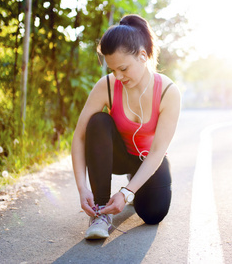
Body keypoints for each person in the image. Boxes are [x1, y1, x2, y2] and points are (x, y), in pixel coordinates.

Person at [71, 14, 181, 239]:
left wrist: (127, 193)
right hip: (118, 156)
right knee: (98, 122)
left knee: (153, 214)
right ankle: (101, 213)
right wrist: (82, 188)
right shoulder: (107, 87)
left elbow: (158, 151)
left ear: (142, 56)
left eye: (123, 68)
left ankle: (135, 181)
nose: (118, 76)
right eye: (113, 70)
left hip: (149, 159)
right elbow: (79, 137)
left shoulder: (169, 92)